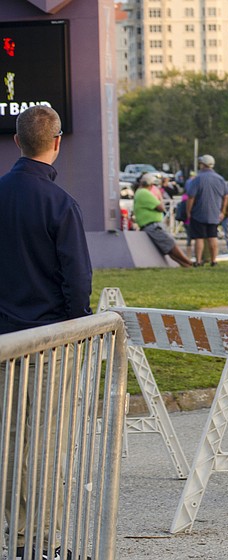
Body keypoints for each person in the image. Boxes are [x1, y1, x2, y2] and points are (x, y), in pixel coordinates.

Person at [0, 105, 92, 558]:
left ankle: (16, 535)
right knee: (47, 444)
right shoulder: (60, 204)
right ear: (57, 142)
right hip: (50, 343)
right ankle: (41, 543)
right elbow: (76, 281)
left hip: (3, 342)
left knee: (9, 439)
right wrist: (80, 330)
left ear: (17, 141)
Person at [133, 173, 194, 267]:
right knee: (171, 244)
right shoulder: (144, 193)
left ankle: (186, 265)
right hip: (153, 226)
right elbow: (161, 207)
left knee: (168, 249)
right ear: (150, 185)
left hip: (148, 225)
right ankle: (189, 262)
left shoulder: (138, 192)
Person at [185, 154, 228, 266]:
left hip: (199, 213)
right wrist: (222, 211)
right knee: (212, 237)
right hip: (214, 213)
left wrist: (188, 212)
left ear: (203, 164)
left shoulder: (197, 179)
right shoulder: (220, 179)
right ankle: (214, 260)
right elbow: (226, 195)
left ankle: (198, 261)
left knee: (199, 238)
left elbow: (191, 197)